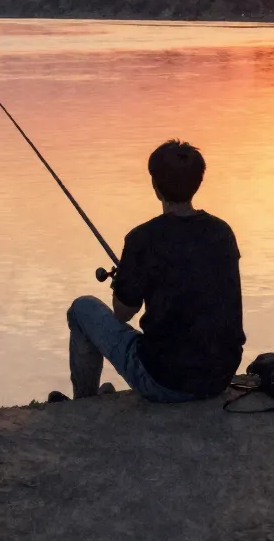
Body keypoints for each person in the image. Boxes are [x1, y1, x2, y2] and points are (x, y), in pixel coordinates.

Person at [57, 139, 244, 402]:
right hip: (218, 376)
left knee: (82, 308)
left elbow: (122, 314)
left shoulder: (143, 239)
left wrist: (123, 282)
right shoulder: (222, 233)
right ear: (197, 182)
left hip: (165, 380)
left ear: (156, 187)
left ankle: (84, 403)